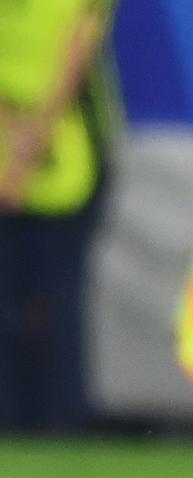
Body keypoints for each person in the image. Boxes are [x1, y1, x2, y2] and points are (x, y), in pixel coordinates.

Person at [0, 0, 118, 435]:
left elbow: (77, 59)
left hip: (72, 151)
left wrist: (28, 147)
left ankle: (62, 420)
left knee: (59, 296)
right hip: (13, 144)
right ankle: (11, 420)